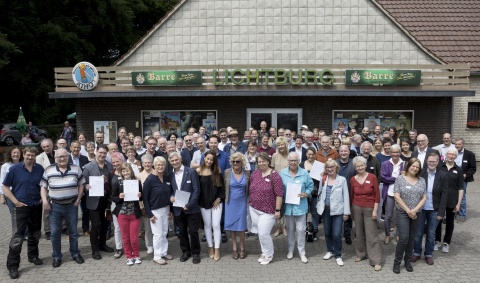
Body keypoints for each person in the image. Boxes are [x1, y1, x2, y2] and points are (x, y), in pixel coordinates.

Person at [2, 147, 44, 279]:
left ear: (35, 156)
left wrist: (43, 197)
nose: (30, 158)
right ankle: (13, 266)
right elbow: (5, 186)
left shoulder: (40, 169)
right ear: (24, 155)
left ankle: (33, 256)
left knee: (35, 233)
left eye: (32, 155)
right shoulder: (14, 169)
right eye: (28, 155)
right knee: (17, 237)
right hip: (21, 207)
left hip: (36, 205)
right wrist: (15, 201)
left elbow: (44, 184)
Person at [40, 148, 85, 268]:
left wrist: (78, 199)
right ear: (55, 158)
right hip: (55, 206)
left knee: (73, 232)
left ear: (68, 157)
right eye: (59, 157)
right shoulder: (48, 170)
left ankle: (75, 253)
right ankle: (56, 256)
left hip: (71, 205)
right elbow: (43, 187)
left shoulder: (76, 168)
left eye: (64, 156)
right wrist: (45, 201)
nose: (62, 158)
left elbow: (81, 185)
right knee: (55, 233)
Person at [412, 153, 448, 265]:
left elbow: (445, 195)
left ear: (438, 162)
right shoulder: (421, 173)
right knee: (418, 233)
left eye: (434, 161)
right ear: (426, 162)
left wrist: (441, 212)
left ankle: (428, 254)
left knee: (431, 234)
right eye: (429, 161)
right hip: (421, 208)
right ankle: (417, 253)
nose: (431, 163)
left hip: (435, 209)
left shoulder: (443, 175)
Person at [392, 158, 426, 274]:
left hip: (416, 213)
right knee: (404, 238)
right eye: (413, 166)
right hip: (402, 212)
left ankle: (407, 261)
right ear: (408, 166)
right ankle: (397, 262)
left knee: (412, 237)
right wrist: (408, 210)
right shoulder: (400, 179)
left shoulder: (421, 180)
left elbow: (424, 197)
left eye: (417, 167)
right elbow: (397, 196)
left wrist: (415, 210)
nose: (415, 168)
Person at [248, 153, 283, 265]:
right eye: (259, 162)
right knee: (260, 232)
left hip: (268, 211)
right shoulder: (255, 173)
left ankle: (269, 254)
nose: (261, 163)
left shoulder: (275, 175)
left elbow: (279, 194)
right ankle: (264, 252)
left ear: (268, 161)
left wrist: (277, 210)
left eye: (263, 161)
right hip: (254, 208)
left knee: (264, 233)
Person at [168, 152, 202, 264]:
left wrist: (189, 205)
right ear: (170, 162)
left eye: (176, 160)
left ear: (180, 159)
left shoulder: (191, 171)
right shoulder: (170, 175)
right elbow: (171, 191)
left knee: (193, 232)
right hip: (178, 209)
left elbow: (196, 190)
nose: (174, 162)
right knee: (181, 232)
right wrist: (171, 197)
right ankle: (186, 252)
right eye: (172, 161)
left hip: (191, 208)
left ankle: (196, 252)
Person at [280, 152, 314, 263]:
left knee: (300, 230)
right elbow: (279, 188)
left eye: (295, 160)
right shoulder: (283, 173)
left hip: (301, 206)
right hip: (288, 207)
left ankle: (302, 252)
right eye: (291, 160)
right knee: (290, 230)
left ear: (298, 161)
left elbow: (311, 185)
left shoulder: (304, 172)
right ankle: (290, 250)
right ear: (288, 161)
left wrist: (307, 193)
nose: (293, 162)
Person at [350, 156, 382, 271]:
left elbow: (377, 196)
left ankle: (376, 260)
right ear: (355, 167)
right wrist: (351, 210)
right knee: (359, 232)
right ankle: (360, 253)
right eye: (357, 166)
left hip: (370, 208)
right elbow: (351, 196)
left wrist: (375, 210)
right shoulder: (353, 179)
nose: (360, 167)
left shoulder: (372, 177)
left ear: (365, 165)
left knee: (371, 234)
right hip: (356, 207)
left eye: (361, 165)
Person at [82, 145, 115, 260]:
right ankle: (94, 249)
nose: (102, 155)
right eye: (100, 152)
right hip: (94, 200)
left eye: (104, 153)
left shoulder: (110, 165)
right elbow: (82, 182)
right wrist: (86, 186)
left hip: (106, 200)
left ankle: (102, 244)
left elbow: (112, 181)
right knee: (95, 225)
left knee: (106, 224)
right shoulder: (88, 167)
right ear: (96, 152)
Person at [317, 159, 350, 267]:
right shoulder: (323, 179)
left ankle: (338, 255)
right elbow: (320, 193)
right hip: (326, 209)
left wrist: (346, 213)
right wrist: (319, 206)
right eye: (328, 167)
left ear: (336, 168)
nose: (330, 169)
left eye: (332, 167)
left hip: (338, 211)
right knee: (327, 232)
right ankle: (330, 250)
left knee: (336, 234)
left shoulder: (342, 180)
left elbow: (346, 196)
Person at [143, 156, 174, 265]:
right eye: (158, 165)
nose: (160, 167)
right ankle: (157, 256)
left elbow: (169, 194)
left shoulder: (166, 178)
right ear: (154, 166)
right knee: (157, 234)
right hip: (155, 211)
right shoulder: (150, 179)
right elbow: (145, 198)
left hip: (166, 209)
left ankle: (163, 252)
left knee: (164, 233)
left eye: (162, 165)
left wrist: (170, 209)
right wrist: (149, 214)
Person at [111, 163, 143, 265]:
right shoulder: (117, 182)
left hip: (134, 213)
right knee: (125, 237)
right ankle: (129, 256)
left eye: (127, 170)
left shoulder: (136, 182)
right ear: (121, 172)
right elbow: (113, 197)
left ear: (131, 171)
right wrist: (119, 197)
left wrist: (140, 195)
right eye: (123, 171)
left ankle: (136, 255)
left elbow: (142, 197)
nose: (126, 173)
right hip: (122, 214)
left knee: (134, 238)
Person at [196, 151, 225, 261]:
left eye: (211, 160)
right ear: (204, 158)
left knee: (216, 225)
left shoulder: (217, 170)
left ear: (214, 161)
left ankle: (217, 248)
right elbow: (196, 188)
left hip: (216, 202)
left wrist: (219, 198)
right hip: (203, 202)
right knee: (207, 226)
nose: (209, 161)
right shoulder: (199, 171)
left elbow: (222, 187)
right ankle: (210, 247)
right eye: (207, 159)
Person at [434, 148, 464, 253]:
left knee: (450, 222)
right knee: (438, 220)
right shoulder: (439, 167)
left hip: (452, 200)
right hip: (439, 199)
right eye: (449, 154)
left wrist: (459, 203)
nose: (450, 156)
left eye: (453, 154)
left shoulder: (459, 170)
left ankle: (446, 242)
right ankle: (436, 240)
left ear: (456, 156)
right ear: (446, 155)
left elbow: (461, 188)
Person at [224, 152, 249, 259]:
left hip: (242, 202)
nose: (235, 163)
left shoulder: (247, 173)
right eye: (233, 161)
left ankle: (242, 246)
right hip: (230, 202)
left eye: (237, 161)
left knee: (241, 226)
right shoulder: (227, 172)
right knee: (232, 226)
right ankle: (234, 247)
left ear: (242, 162)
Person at [380, 144, 405, 244]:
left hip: (401, 194)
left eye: (397, 152)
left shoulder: (404, 164)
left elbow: (406, 178)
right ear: (390, 153)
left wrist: (393, 179)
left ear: (400, 153)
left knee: (400, 216)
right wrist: (397, 178)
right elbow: (383, 178)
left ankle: (398, 234)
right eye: (393, 152)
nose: (395, 154)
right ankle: (387, 235)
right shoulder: (385, 164)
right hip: (389, 193)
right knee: (388, 216)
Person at [67, 141, 90, 236]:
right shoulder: (66, 158)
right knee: (71, 212)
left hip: (83, 187)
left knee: (85, 210)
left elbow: (88, 172)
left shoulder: (85, 158)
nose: (76, 149)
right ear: (70, 148)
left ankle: (85, 229)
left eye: (78, 147)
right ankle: (72, 232)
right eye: (74, 147)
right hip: (71, 189)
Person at [299, 147, 321, 240]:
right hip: (304, 192)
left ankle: (314, 231)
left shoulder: (319, 165)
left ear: (315, 155)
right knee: (304, 212)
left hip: (315, 192)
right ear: (306, 155)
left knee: (315, 213)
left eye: (312, 154)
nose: (311, 156)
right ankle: (304, 231)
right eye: (309, 154)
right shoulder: (301, 164)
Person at [36, 138, 55, 240]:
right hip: (46, 186)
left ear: (52, 146)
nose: (46, 148)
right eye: (44, 147)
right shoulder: (39, 158)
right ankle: (48, 231)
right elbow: (39, 174)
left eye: (48, 146)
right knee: (47, 209)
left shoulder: (58, 154)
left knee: (61, 207)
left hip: (59, 186)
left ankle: (64, 227)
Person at [454, 138, 477, 222]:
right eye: (456, 144)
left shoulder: (469, 154)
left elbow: (473, 168)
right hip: (453, 178)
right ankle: (454, 212)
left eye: (459, 144)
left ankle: (462, 214)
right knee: (452, 195)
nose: (457, 146)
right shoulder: (452, 153)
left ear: (463, 144)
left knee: (462, 196)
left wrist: (466, 174)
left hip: (463, 179)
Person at [137, 154, 155, 256]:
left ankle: (157, 245)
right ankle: (149, 246)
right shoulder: (139, 176)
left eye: (149, 162)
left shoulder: (157, 173)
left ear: (152, 163)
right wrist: (142, 207)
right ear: (142, 164)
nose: (147, 164)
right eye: (145, 163)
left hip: (156, 204)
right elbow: (139, 193)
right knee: (147, 227)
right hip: (145, 205)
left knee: (156, 227)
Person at [271, 136, 289, 237]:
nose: (280, 146)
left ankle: (284, 227)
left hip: (287, 184)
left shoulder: (290, 155)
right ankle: (278, 228)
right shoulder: (274, 155)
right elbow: (272, 169)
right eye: (279, 145)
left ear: (285, 145)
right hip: (276, 184)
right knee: (277, 206)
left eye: (282, 144)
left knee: (285, 206)